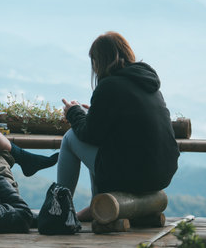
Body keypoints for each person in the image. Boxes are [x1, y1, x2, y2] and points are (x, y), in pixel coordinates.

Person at [57, 31, 180, 221]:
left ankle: (60, 209)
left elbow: (90, 135)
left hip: (132, 175)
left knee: (70, 137)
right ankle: (97, 204)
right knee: (101, 145)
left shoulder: (109, 86)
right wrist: (96, 113)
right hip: (162, 173)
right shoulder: (149, 84)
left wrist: (73, 112)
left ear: (100, 60)